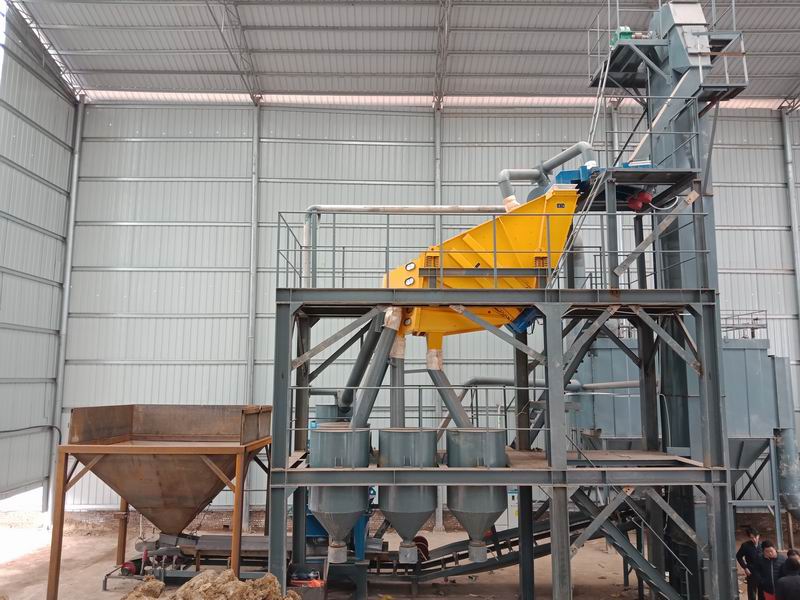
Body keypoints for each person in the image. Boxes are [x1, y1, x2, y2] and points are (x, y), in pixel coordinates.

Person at [737, 527, 762, 600]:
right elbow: (738, 556)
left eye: (755, 537)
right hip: (751, 572)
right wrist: (745, 568)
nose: (754, 539)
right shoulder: (745, 546)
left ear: (758, 536)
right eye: (751, 538)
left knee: (762, 593)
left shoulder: (763, 546)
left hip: (762, 572)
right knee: (752, 593)